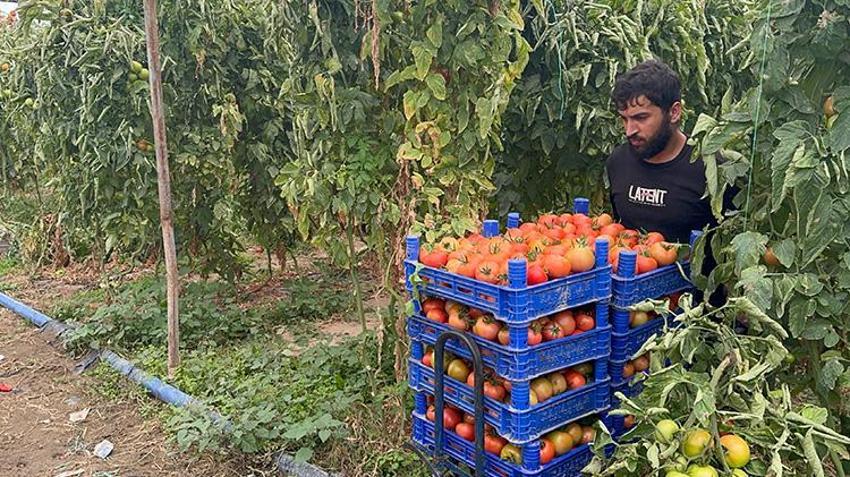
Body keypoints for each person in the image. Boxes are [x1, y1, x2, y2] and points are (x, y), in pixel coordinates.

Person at [605, 59, 733, 246]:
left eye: (641, 117)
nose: (629, 130)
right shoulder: (617, 162)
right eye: (624, 119)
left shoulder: (713, 169)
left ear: (674, 112)